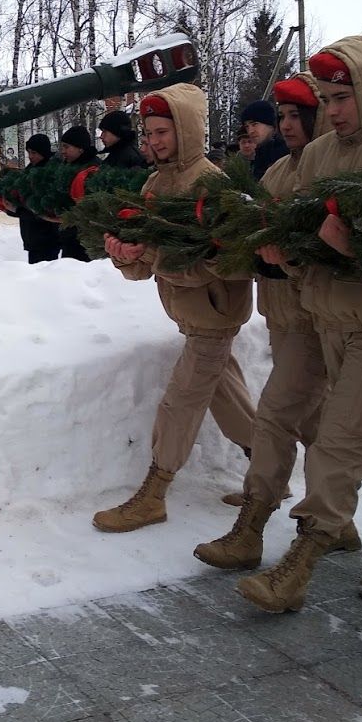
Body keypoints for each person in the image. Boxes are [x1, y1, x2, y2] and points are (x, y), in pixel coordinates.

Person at [236, 36, 362, 614]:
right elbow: (307, 237)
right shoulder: (322, 155)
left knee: (338, 443)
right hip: (326, 319)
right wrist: (289, 253)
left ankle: (299, 563)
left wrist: (360, 249)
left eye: (343, 97)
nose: (332, 110)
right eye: (326, 98)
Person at [194, 73, 362, 568]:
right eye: (282, 116)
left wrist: (279, 257)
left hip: (316, 320)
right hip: (286, 317)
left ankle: (252, 529)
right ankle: (351, 526)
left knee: (281, 417)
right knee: (321, 426)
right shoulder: (277, 174)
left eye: (297, 114)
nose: (287, 125)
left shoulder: (326, 171)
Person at [94, 83, 256, 533]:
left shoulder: (211, 183)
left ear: (186, 130)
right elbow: (152, 262)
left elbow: (226, 262)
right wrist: (127, 257)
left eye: (163, 131)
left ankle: (154, 493)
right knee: (229, 399)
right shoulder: (155, 182)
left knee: (179, 403)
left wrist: (154, 254)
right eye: (148, 133)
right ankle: (269, 474)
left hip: (214, 317)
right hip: (191, 316)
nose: (154, 141)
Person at [16, 134, 61, 264]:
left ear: (43, 152)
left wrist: (18, 209)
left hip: (47, 236)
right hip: (33, 236)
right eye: (29, 152)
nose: (30, 156)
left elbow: (43, 207)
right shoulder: (30, 170)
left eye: (34, 152)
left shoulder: (50, 171)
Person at [57, 125, 99, 261]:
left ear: (80, 148)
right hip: (68, 238)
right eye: (62, 147)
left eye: (66, 147)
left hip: (86, 241)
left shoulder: (94, 169)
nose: (63, 151)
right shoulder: (65, 167)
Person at [241, 99, 288, 180]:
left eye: (254, 124)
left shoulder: (286, 152)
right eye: (247, 126)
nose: (250, 131)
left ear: (270, 124)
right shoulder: (261, 154)